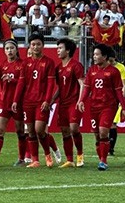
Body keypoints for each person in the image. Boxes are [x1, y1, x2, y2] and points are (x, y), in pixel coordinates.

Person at [76, 44, 125, 170]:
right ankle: (101, 157)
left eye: (97, 54)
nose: (94, 57)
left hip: (109, 106)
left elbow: (118, 91)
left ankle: (103, 161)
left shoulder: (114, 72)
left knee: (103, 131)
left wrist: (124, 107)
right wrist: (81, 101)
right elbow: (87, 88)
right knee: (97, 135)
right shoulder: (92, 70)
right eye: (94, 54)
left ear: (104, 57)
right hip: (94, 106)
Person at [11, 33, 57, 168]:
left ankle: (48, 155)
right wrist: (15, 100)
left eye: (38, 44)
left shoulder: (48, 62)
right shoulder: (25, 63)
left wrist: (47, 100)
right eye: (33, 44)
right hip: (27, 102)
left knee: (39, 130)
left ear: (43, 45)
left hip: (41, 102)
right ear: (29, 46)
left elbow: (50, 84)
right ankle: (35, 160)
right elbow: (21, 83)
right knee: (30, 131)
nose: (35, 47)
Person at [0, 39, 28, 167]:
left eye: (12, 48)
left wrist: (12, 80)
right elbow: (0, 82)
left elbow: (23, 84)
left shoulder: (22, 65)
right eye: (7, 48)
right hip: (4, 102)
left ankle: (21, 159)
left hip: (18, 103)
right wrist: (3, 94)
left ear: (17, 50)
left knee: (20, 131)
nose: (9, 51)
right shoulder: (1, 65)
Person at [53, 38, 86, 168]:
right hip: (62, 103)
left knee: (74, 128)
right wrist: (51, 101)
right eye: (57, 48)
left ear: (68, 50)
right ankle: (69, 160)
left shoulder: (76, 66)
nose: (58, 50)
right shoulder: (58, 68)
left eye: (60, 48)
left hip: (74, 102)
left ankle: (80, 155)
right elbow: (59, 88)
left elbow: (82, 83)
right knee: (65, 131)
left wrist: (80, 100)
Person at [108, 55, 125, 156]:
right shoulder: (104, 66)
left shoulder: (121, 67)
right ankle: (102, 144)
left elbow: (124, 84)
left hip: (116, 98)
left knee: (113, 123)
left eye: (111, 60)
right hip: (104, 98)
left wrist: (121, 96)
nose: (110, 62)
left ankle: (111, 148)